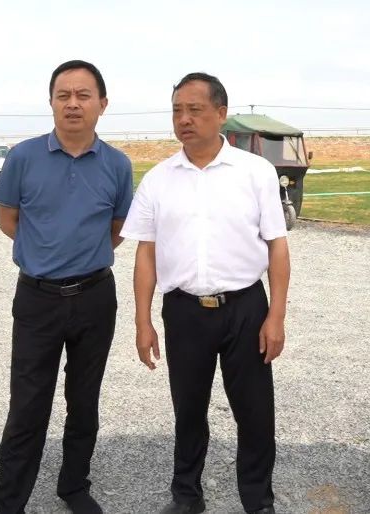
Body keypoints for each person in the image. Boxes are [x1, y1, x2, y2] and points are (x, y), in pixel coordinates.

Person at [120, 72, 289, 514]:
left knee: (255, 412)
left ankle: (258, 501)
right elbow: (145, 253)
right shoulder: (159, 179)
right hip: (185, 311)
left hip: (245, 309)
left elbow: (277, 246)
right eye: (177, 110)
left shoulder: (255, 172)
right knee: (189, 411)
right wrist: (142, 320)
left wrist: (276, 316)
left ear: (221, 113)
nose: (184, 119)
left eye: (195, 109)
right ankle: (186, 496)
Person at [0, 60, 133, 514]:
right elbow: (8, 220)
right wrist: (47, 254)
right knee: (28, 404)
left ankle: (74, 486)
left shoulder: (117, 164)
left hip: (95, 297)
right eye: (63, 95)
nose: (73, 104)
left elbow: (117, 229)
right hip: (37, 298)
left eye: (83, 95)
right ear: (51, 102)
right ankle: (10, 500)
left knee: (84, 400)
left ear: (102, 104)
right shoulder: (23, 157)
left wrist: (81, 256)